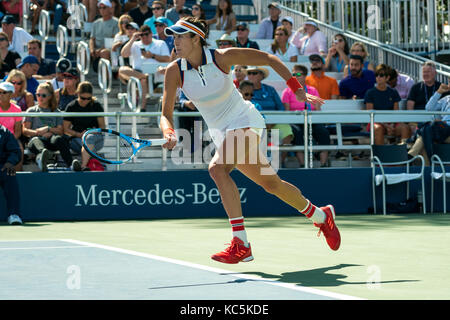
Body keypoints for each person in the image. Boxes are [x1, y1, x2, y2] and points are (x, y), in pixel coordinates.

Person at [161, 17, 338, 264]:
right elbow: (165, 115)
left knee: (217, 169)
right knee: (272, 185)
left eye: (180, 36)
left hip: (245, 120)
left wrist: (297, 89)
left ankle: (241, 243)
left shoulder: (222, 57)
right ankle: (321, 216)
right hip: (222, 134)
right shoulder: (174, 71)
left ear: (196, 38)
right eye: (174, 36)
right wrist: (168, 131)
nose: (175, 40)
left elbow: (269, 59)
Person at [23, 82, 81, 172]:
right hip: (36, 140)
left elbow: (60, 130)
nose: (40, 97)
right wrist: (38, 132)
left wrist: (48, 129)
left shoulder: (56, 112)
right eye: (38, 95)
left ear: (50, 96)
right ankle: (42, 158)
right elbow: (25, 130)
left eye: (43, 95)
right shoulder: (31, 110)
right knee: (36, 141)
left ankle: (71, 164)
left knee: (59, 139)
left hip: (51, 140)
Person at [282, 64, 330, 167]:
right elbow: (286, 112)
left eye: (298, 74)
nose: (295, 77)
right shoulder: (287, 92)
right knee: (297, 133)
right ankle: (303, 164)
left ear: (305, 76)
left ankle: (323, 163)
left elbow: (317, 110)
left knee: (323, 132)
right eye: (293, 74)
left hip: (311, 120)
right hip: (295, 122)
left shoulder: (312, 90)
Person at [120, 24, 171, 112]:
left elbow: (167, 59)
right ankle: (143, 76)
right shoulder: (135, 44)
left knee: (143, 80)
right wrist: (132, 39)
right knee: (122, 70)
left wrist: (152, 56)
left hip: (154, 75)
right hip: (137, 73)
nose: (144, 37)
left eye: (146, 34)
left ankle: (142, 107)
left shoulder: (160, 43)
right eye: (142, 35)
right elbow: (124, 54)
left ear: (151, 34)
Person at [63, 81, 106, 171]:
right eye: (83, 98)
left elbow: (102, 127)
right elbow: (65, 129)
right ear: (77, 94)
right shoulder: (71, 107)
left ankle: (82, 166)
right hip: (76, 138)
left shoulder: (96, 105)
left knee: (89, 139)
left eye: (88, 98)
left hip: (95, 137)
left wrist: (90, 132)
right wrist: (79, 134)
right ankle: (98, 162)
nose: (86, 101)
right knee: (85, 141)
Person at [364, 64, 410, 145]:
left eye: (381, 75)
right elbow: (370, 113)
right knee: (378, 129)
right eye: (376, 75)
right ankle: (380, 156)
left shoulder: (393, 92)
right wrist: (385, 125)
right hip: (376, 122)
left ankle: (403, 154)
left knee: (405, 128)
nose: (378, 77)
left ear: (387, 78)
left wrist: (391, 125)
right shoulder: (370, 93)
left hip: (392, 123)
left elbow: (396, 112)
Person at [408, 83, 450, 165]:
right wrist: (439, 92)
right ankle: (428, 166)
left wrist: (443, 123)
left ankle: (411, 155)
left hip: (446, 129)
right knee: (427, 131)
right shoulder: (446, 99)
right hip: (442, 130)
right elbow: (429, 108)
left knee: (426, 131)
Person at [0, 123, 23, 225]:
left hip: (2, 166)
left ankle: (13, 214)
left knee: (10, 174)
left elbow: (14, 150)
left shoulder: (4, 131)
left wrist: (10, 162)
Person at [90, 0, 120, 72]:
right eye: (100, 8)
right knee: (82, 50)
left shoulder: (116, 22)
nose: (102, 10)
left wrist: (99, 50)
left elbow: (113, 39)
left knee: (104, 52)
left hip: (111, 49)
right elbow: (92, 39)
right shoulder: (95, 23)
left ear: (110, 8)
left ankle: (106, 79)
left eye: (104, 8)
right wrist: (92, 50)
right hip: (97, 49)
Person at [0, 81, 23, 170]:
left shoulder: (17, 109)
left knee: (19, 149)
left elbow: (18, 132)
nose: (1, 94)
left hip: (12, 139)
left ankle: (17, 174)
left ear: (10, 95)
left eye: (4, 92)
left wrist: (8, 141)